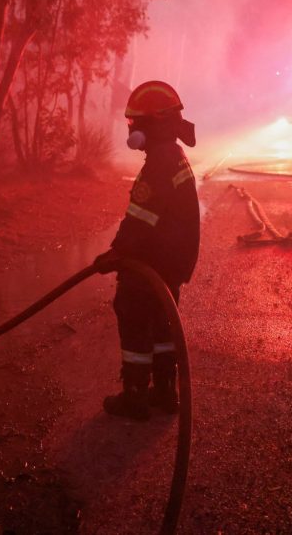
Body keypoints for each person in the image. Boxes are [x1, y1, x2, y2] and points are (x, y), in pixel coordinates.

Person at [94, 80, 200, 421]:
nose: (131, 128)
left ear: (153, 123)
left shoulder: (159, 163)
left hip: (151, 262)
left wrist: (117, 254)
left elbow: (141, 220)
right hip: (171, 261)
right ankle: (166, 393)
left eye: (135, 122)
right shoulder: (172, 154)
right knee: (163, 323)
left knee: (134, 316)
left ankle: (136, 397)